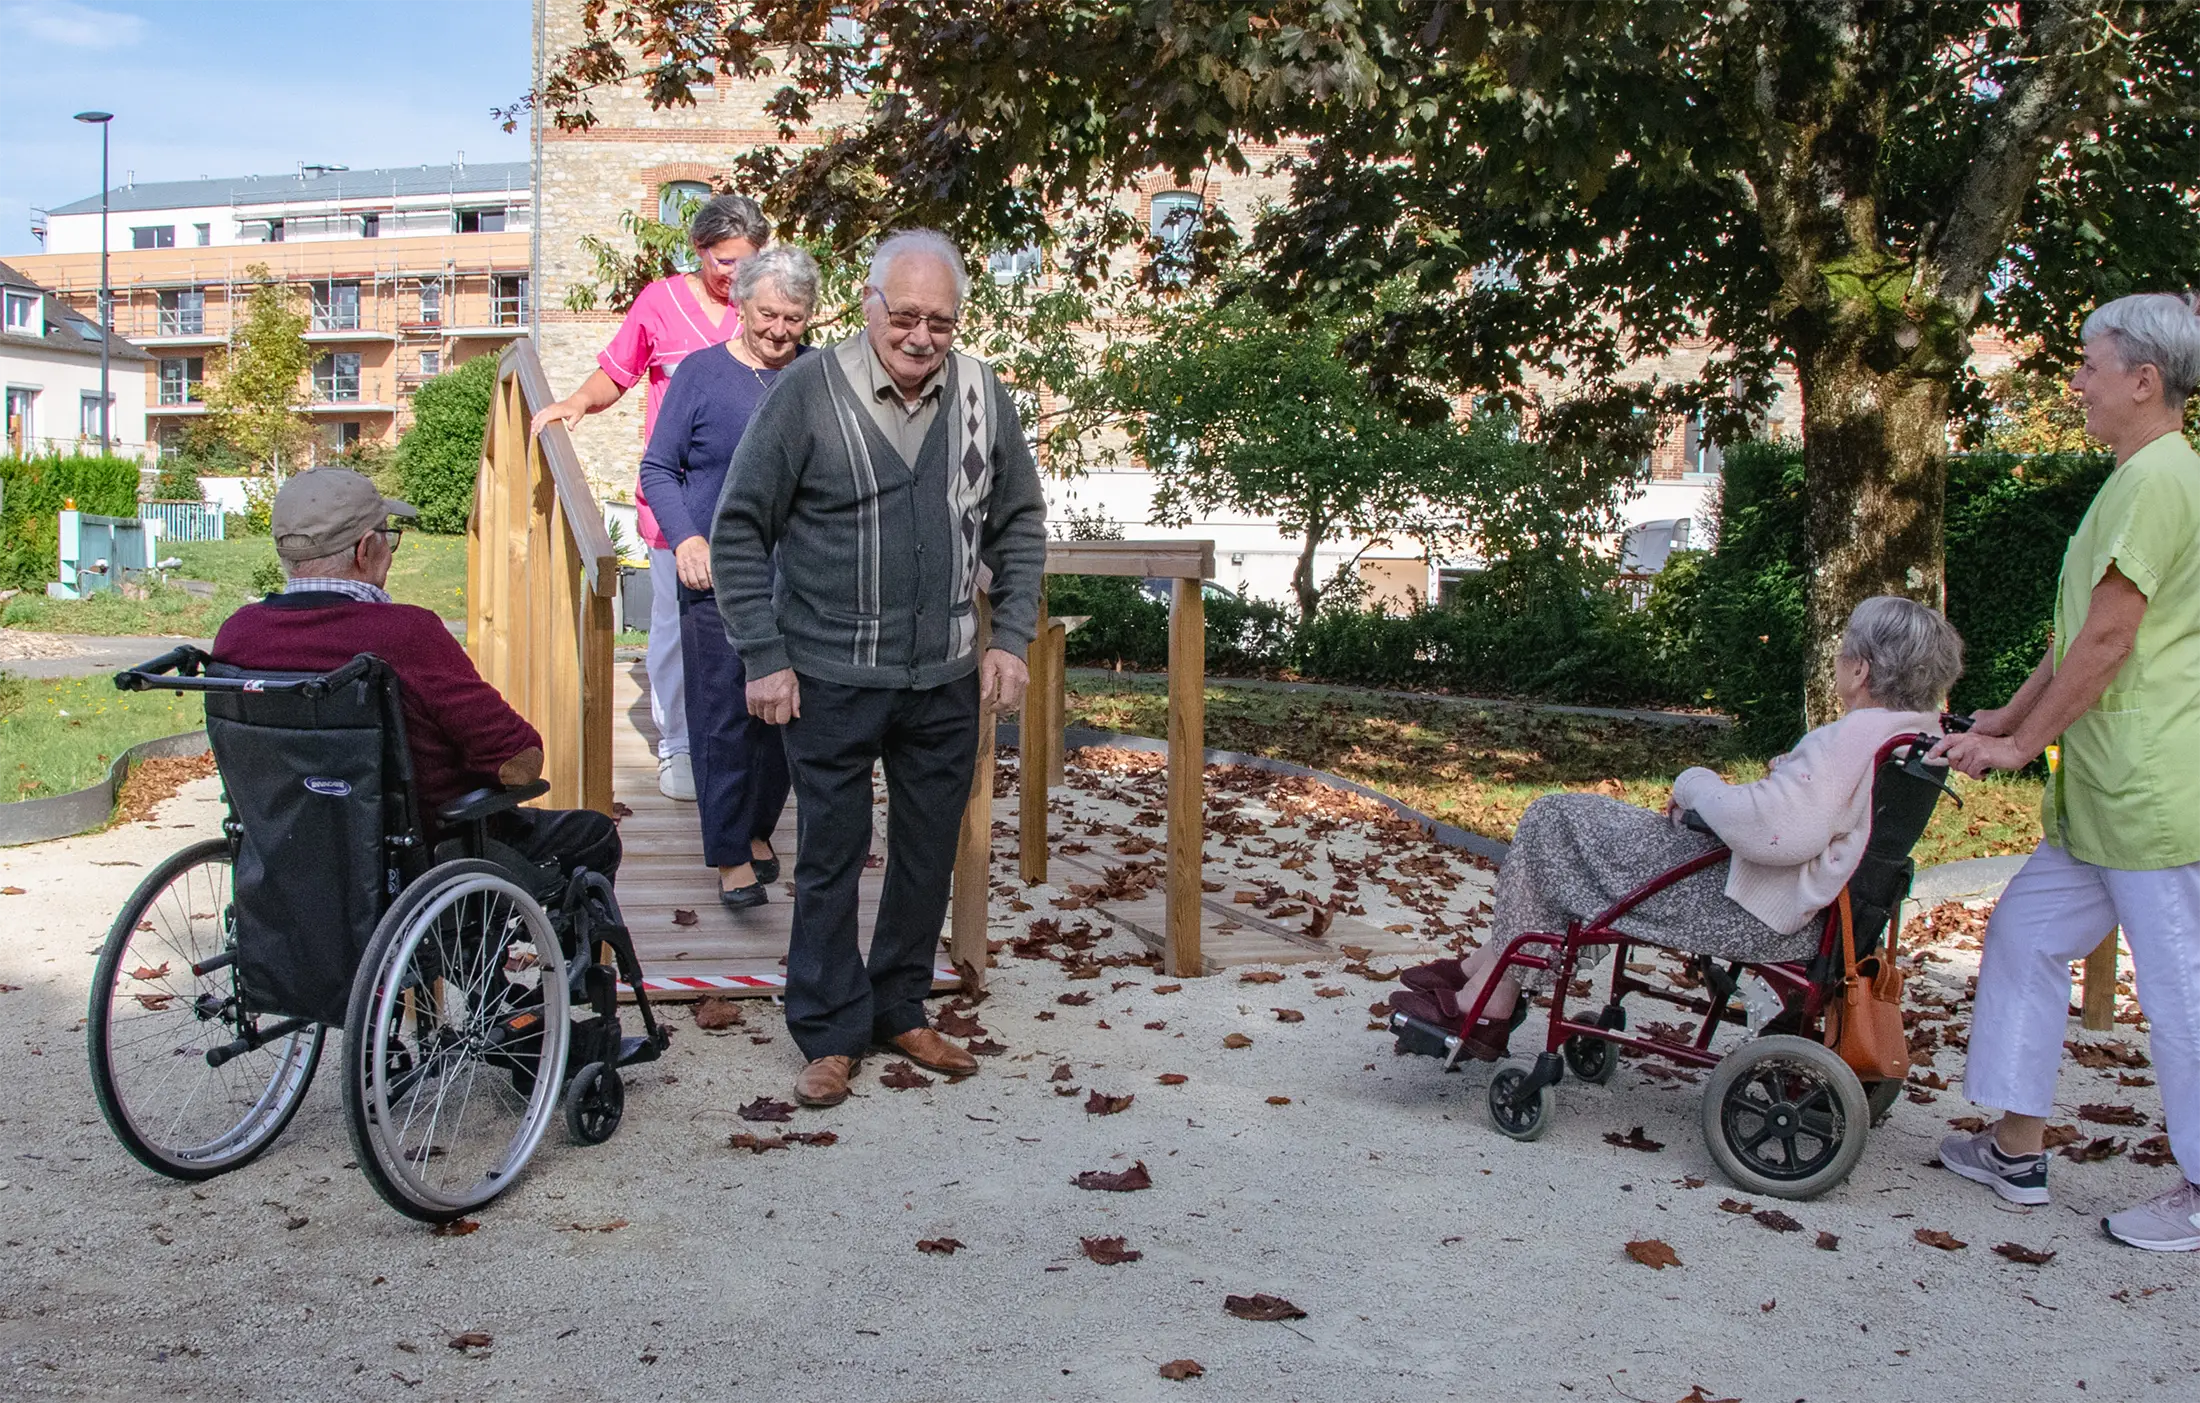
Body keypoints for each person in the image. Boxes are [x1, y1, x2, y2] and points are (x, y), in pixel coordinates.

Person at [712, 229, 1048, 1108]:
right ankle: (827, 1029)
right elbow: (741, 527)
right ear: (867, 307)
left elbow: (1018, 522)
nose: (921, 335)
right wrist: (764, 655)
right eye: (904, 315)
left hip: (942, 672)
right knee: (831, 850)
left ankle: (899, 1004)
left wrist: (1009, 634)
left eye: (940, 319)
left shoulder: (982, 394)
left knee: (927, 851)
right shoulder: (806, 393)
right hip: (825, 672)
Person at [1393, 596, 1960, 1056]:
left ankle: (1490, 992)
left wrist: (1696, 784)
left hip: (1752, 910)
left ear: (1860, 669)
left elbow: (1773, 831)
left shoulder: (1853, 737)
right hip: (1793, 906)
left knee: (1553, 818)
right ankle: (1488, 973)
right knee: (1568, 837)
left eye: (1843, 654)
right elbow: (1809, 815)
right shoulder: (1914, 734)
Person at [1933, 293, 2200, 1252]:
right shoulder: (2133, 478)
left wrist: (2014, 748)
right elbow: (2073, 634)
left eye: (2091, 364)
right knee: (2024, 937)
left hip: (2154, 792)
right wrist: (2004, 721)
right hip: (2103, 794)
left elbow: (2113, 638)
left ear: (2145, 380)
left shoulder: (2163, 479)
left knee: (2179, 993)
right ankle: (2014, 1144)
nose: (2076, 381)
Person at [212, 469, 618, 879]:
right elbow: (516, 761)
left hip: (288, 856)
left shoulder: (238, 635)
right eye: (388, 536)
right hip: (419, 861)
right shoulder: (405, 635)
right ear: (366, 549)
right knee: (593, 834)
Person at [530, 192, 772, 804]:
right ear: (698, 252)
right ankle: (681, 746)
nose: (734, 275)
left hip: (758, 506)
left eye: (746, 261)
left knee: (757, 624)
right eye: (723, 262)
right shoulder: (660, 304)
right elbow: (618, 372)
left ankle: (752, 746)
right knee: (673, 626)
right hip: (679, 502)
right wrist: (576, 404)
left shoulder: (768, 305)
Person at [637, 246, 820, 909]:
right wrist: (685, 536)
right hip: (716, 574)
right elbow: (658, 467)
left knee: (784, 713)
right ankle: (729, 854)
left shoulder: (818, 374)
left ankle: (758, 828)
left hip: (799, 579)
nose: (778, 331)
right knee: (725, 716)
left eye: (792, 319)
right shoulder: (701, 374)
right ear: (740, 303)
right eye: (768, 313)